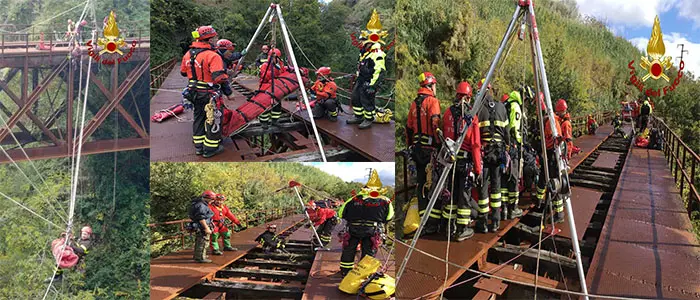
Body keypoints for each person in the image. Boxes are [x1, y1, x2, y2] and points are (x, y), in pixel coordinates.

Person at [439, 81, 481, 241]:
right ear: (469, 98)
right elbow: (476, 145)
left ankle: (450, 227)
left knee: (451, 195)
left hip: (449, 161)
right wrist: (478, 169)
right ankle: (462, 229)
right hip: (464, 162)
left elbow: (444, 134)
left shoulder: (448, 113)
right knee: (463, 196)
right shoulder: (472, 117)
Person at [180, 26, 230, 158]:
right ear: (210, 38)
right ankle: (210, 149)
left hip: (193, 92)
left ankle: (199, 147)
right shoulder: (213, 56)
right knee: (213, 120)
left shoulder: (188, 54)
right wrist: (228, 88)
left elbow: (183, 72)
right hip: (208, 94)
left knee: (199, 117)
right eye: (216, 37)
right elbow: (218, 78)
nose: (217, 39)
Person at [338, 170, 394, 276]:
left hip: (352, 229)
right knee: (368, 253)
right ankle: (364, 274)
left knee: (349, 250)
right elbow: (389, 216)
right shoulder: (385, 200)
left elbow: (341, 213)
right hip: (371, 230)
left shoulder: (353, 199)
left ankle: (345, 272)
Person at [406, 72, 441, 234]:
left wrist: (409, 147)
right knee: (432, 185)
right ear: (430, 85)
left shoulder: (414, 103)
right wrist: (441, 144)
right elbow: (435, 125)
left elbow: (408, 128)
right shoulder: (432, 102)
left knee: (421, 185)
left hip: (416, 150)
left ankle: (423, 222)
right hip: (429, 150)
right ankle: (433, 223)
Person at [475, 78, 510, 233]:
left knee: (483, 189)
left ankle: (482, 223)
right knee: (496, 187)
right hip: (498, 153)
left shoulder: (478, 109)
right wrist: (507, 148)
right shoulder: (501, 107)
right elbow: (507, 133)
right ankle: (495, 221)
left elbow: (473, 135)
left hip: (483, 154)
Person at [346, 20, 387, 129]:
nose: (361, 42)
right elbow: (360, 66)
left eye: (363, 40)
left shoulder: (377, 54)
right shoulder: (364, 52)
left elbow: (379, 71)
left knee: (367, 100)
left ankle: (369, 119)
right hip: (361, 79)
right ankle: (358, 116)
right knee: (355, 97)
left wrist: (373, 86)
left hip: (369, 81)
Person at [535, 98, 565, 223]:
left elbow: (557, 139)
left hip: (552, 154)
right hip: (549, 154)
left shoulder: (551, 122)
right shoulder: (550, 121)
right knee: (544, 177)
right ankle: (540, 200)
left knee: (554, 181)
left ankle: (559, 213)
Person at [501, 90, 525, 220]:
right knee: (514, 176)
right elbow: (514, 127)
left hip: (504, 145)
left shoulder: (505, 105)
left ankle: (504, 208)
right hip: (513, 145)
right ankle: (514, 208)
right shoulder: (516, 107)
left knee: (505, 176)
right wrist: (518, 141)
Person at [257, 48, 286, 128]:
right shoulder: (265, 65)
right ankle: (264, 122)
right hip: (266, 87)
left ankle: (275, 120)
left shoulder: (280, 64)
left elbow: (283, 73)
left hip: (277, 88)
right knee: (265, 105)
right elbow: (265, 76)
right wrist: (276, 70)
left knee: (277, 105)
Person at [189, 190, 216, 263]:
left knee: (199, 241)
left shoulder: (198, 204)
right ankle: (200, 258)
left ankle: (199, 255)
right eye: (212, 199)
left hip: (199, 226)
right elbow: (201, 218)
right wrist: (206, 228)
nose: (213, 201)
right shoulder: (201, 205)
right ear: (207, 198)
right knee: (203, 242)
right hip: (202, 227)